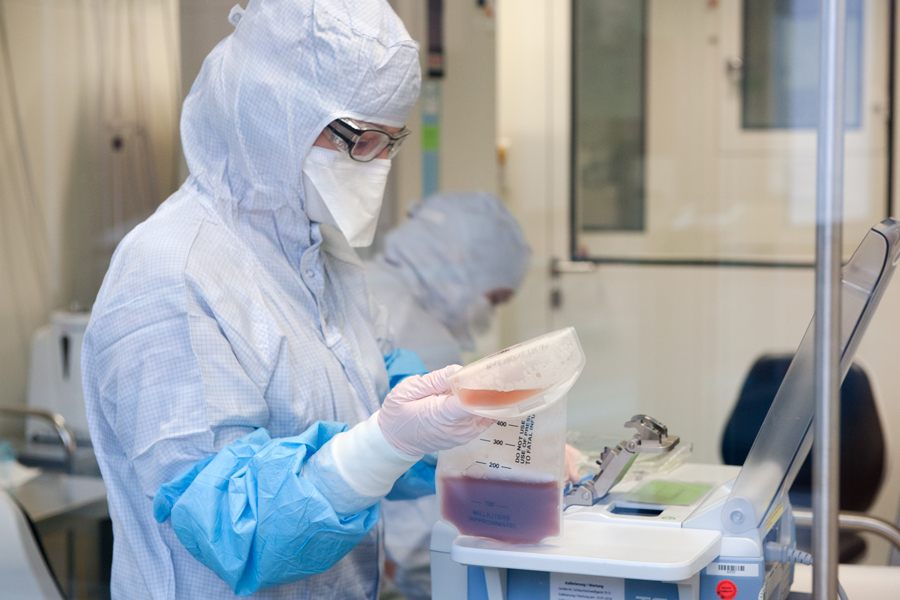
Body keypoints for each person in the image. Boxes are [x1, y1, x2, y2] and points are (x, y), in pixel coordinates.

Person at [80, 1, 491, 598]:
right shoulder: (172, 275)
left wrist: (484, 434)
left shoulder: (322, 255)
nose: (377, 166)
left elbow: (378, 394)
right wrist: (388, 440)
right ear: (277, 112)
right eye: (361, 141)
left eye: (390, 143)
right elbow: (233, 530)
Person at [364, 192, 531, 600]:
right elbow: (420, 503)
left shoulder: (359, 284)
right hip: (385, 562)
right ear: (461, 263)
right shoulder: (425, 339)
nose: (489, 314)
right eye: (494, 298)